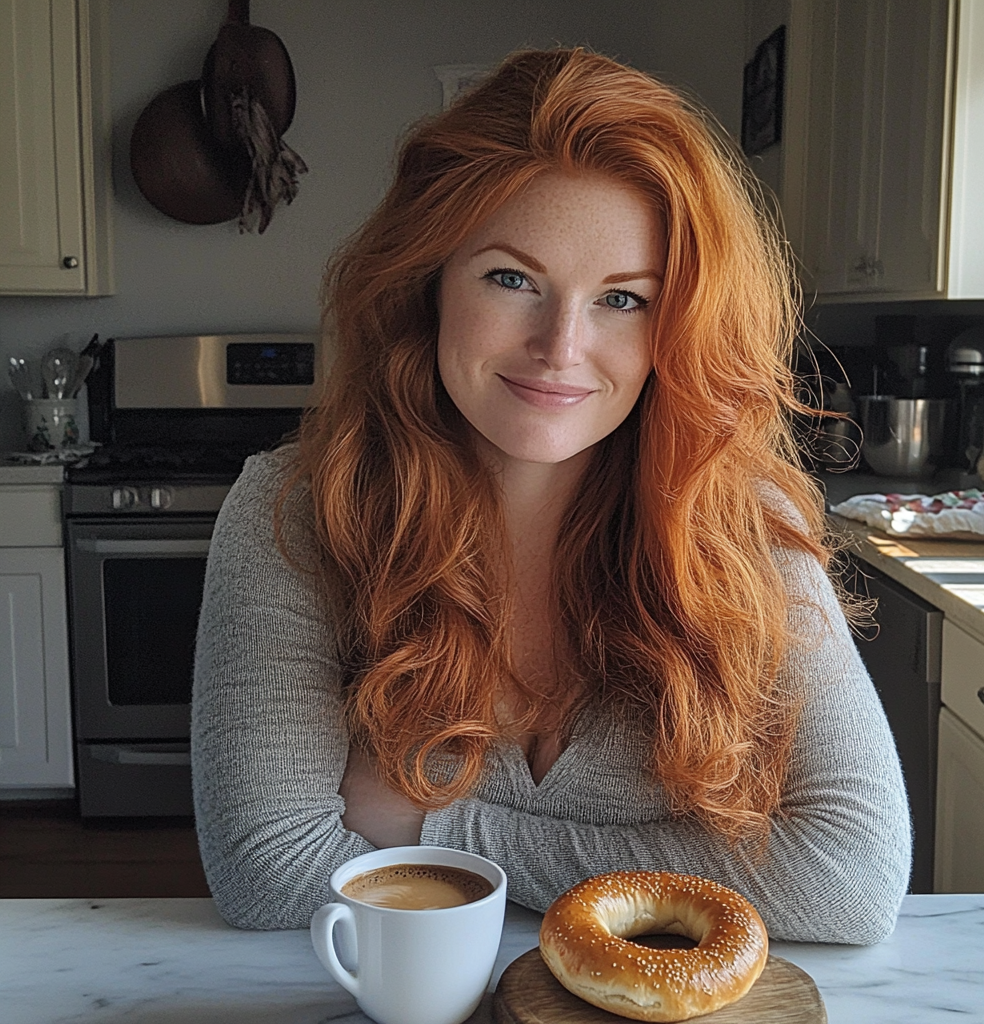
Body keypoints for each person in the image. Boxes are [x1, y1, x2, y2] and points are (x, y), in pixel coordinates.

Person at [191, 47, 911, 940]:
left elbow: (852, 876)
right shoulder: (295, 511)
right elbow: (268, 871)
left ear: (675, 326)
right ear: (429, 283)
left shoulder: (747, 520)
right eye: (512, 279)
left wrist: (428, 829)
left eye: (622, 299)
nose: (562, 345)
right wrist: (674, 868)